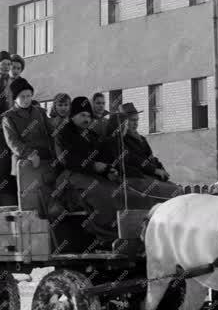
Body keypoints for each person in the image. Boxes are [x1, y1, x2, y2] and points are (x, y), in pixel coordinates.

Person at [54, 96, 148, 242]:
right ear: (73, 116)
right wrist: (94, 166)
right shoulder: (63, 133)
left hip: (92, 175)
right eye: (82, 115)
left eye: (88, 116)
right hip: (70, 178)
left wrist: (109, 169)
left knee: (120, 191)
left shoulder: (90, 134)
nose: (86, 119)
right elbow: (66, 159)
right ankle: (105, 236)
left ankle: (129, 232)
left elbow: (101, 154)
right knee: (102, 194)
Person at [2, 78, 57, 216]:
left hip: (45, 160)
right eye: (22, 96)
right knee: (29, 202)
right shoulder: (9, 117)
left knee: (48, 198)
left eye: (29, 96)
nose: (26, 99)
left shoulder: (40, 112)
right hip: (25, 163)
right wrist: (30, 154)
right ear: (15, 98)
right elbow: (12, 142)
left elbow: (52, 133)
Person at [104, 103, 181, 199]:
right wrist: (154, 170)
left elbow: (151, 157)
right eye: (132, 120)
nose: (135, 123)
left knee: (177, 189)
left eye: (137, 120)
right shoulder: (121, 140)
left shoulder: (141, 139)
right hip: (140, 178)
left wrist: (161, 169)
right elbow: (134, 159)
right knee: (174, 192)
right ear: (123, 122)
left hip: (151, 177)